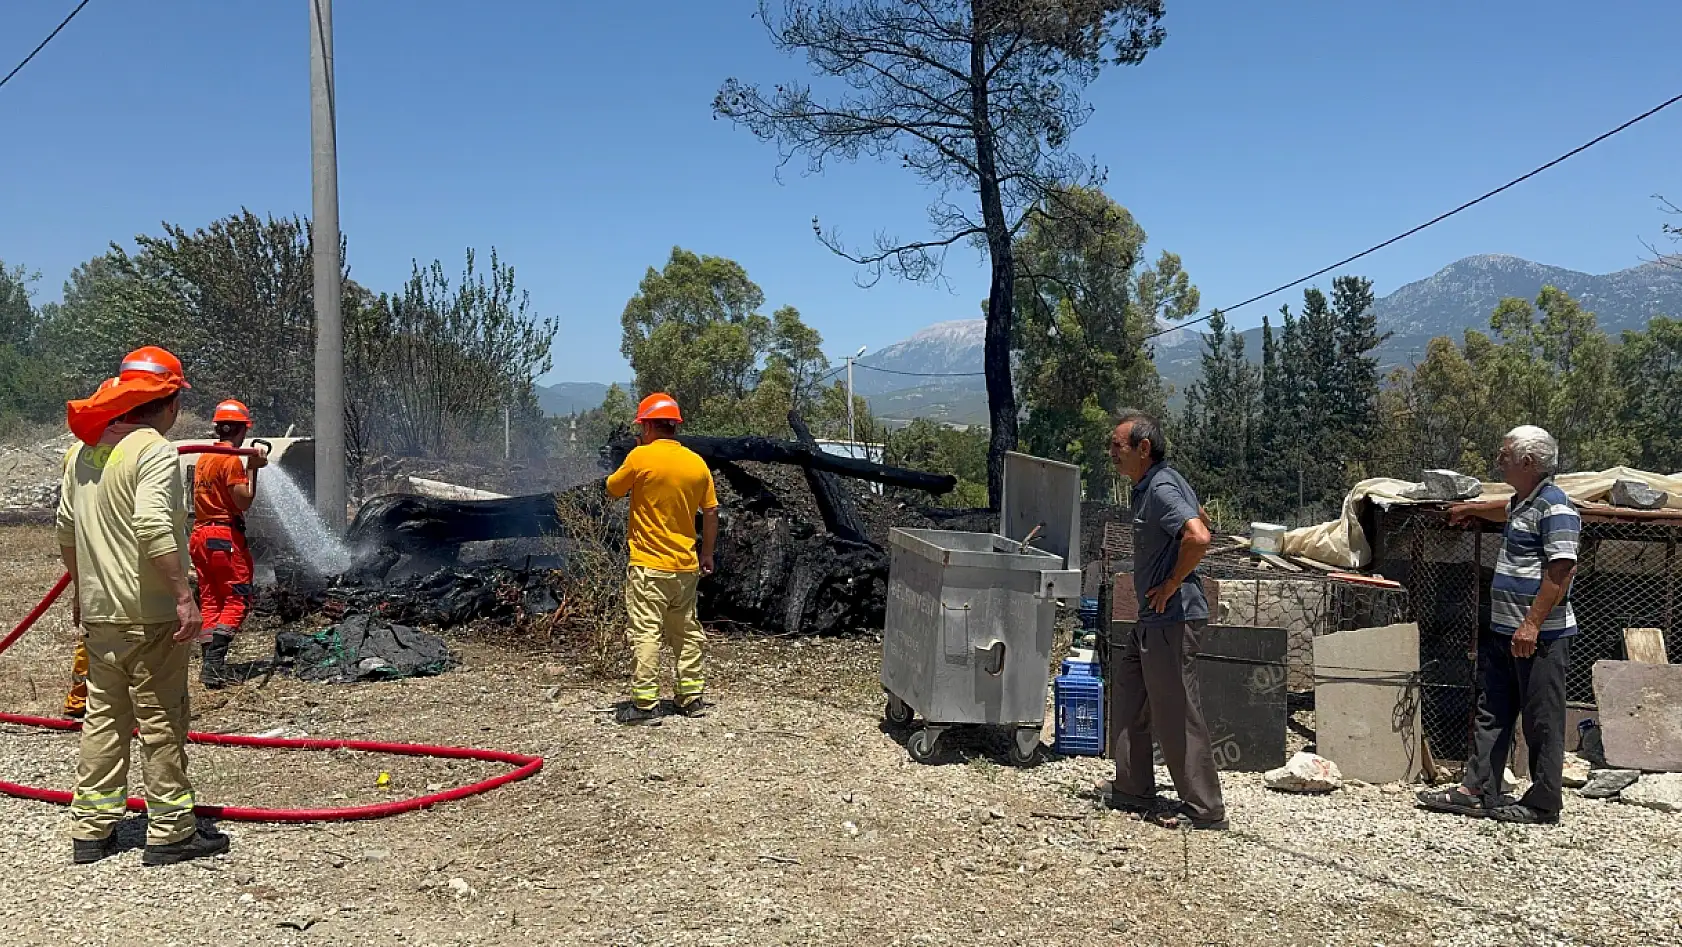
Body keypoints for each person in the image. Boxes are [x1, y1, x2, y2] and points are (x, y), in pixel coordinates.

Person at [57, 346, 229, 866]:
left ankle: (91, 830)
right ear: (170, 401)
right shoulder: (152, 450)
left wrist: (82, 590)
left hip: (102, 613)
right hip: (150, 614)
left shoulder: (82, 451)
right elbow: (155, 528)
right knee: (161, 721)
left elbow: (67, 532)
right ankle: (172, 832)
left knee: (104, 719)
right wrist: (184, 596)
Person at [1419, 425, 1579, 825]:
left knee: (1541, 719)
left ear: (1527, 461)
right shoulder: (1524, 502)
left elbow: (1561, 571)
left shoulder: (1556, 507)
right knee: (1493, 708)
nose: (1498, 459)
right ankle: (1478, 789)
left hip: (1538, 637)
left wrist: (1531, 625)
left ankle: (1543, 802)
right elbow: (1501, 509)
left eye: (1504, 454)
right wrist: (1471, 509)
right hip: (1506, 632)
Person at [1104, 409, 1227, 831]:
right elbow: (1203, 517)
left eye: (1117, 446)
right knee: (1130, 696)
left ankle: (1204, 810)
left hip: (1170, 618)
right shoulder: (1151, 486)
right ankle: (1133, 789)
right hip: (1150, 619)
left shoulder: (1160, 486)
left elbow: (1199, 535)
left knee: (1176, 713)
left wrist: (1172, 581)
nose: (1111, 454)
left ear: (1143, 448)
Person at [605, 392, 718, 724]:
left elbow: (612, 489)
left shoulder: (641, 457)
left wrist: (634, 454)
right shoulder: (696, 464)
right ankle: (691, 698)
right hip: (685, 567)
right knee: (686, 632)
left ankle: (645, 705)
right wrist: (707, 553)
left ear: (648, 426)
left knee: (647, 633)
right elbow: (711, 512)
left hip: (648, 567)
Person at [190, 399, 268, 688]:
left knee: (211, 598)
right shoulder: (231, 459)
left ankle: (209, 665)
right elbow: (242, 500)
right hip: (223, 536)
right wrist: (253, 467)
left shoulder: (204, 457)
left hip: (200, 535)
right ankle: (213, 665)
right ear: (242, 430)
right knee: (238, 596)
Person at [63, 379, 117, 719]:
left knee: (94, 632)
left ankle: (81, 699)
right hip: (120, 556)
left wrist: (78, 582)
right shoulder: (136, 448)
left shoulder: (76, 450)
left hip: (89, 556)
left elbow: (68, 516)